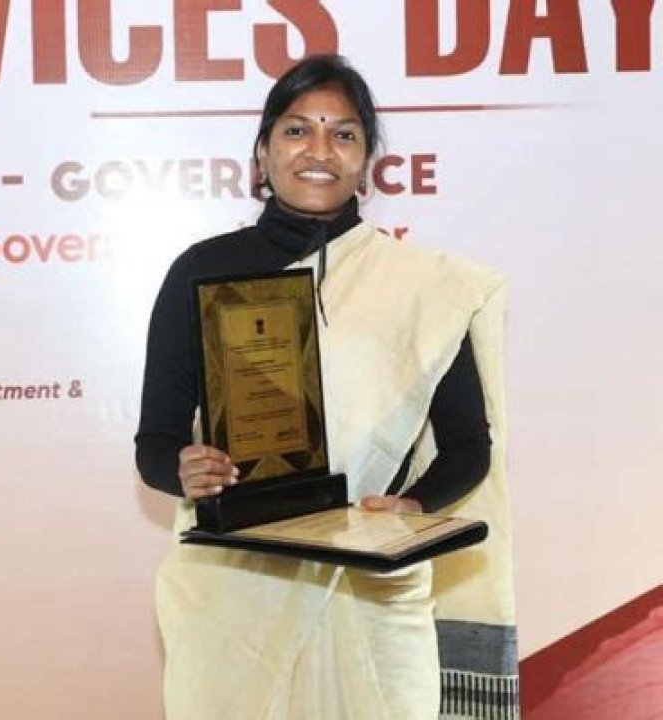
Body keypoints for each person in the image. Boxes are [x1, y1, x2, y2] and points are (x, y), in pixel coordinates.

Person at [136, 54, 518, 720]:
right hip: (233, 588)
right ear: (262, 152)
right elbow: (155, 444)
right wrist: (184, 469)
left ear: (367, 161)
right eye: (296, 130)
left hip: (371, 586)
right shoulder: (200, 270)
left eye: (343, 134)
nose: (319, 150)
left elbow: (468, 447)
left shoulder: (422, 288)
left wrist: (411, 507)